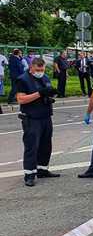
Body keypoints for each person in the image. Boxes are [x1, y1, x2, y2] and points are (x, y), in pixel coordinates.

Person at [16, 57, 60, 187]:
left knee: (46, 145)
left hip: (45, 116)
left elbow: (46, 91)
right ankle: (29, 174)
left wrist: (52, 95)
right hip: (31, 118)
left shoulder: (44, 78)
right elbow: (21, 99)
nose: (40, 71)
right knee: (32, 146)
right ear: (31, 68)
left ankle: (42, 170)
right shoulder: (23, 79)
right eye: (37, 69)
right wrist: (39, 94)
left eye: (42, 69)